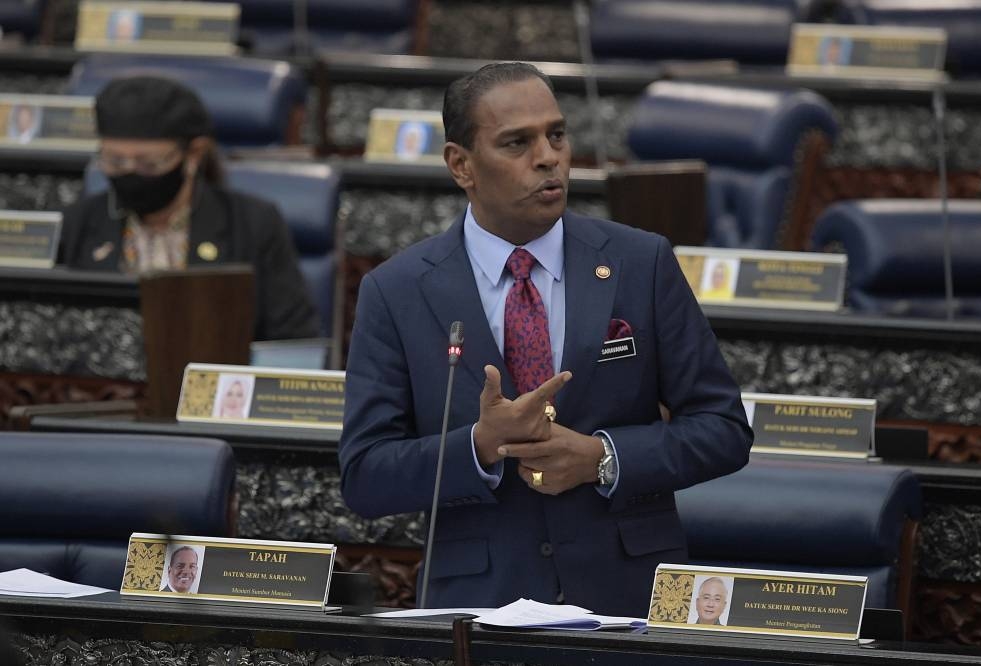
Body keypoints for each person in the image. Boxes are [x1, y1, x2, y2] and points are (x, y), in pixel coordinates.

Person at [338, 62, 752, 617]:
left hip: (629, 597)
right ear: (461, 165)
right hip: (479, 607)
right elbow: (365, 475)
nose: (548, 157)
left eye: (556, 135)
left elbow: (724, 429)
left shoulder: (640, 262)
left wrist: (602, 458)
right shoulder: (397, 290)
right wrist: (480, 445)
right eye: (517, 143)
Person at [59, 76, 318, 341]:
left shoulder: (253, 223)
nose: (130, 173)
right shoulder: (77, 223)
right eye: (115, 161)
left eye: (148, 164)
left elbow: (293, 339)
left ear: (194, 154)